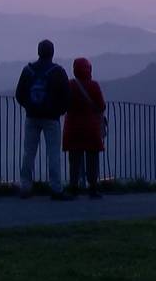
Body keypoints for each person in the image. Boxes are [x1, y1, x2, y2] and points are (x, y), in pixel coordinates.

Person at [15, 40, 72, 200]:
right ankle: (56, 189)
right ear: (52, 53)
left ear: (38, 52)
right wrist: (59, 111)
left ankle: (25, 187)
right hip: (51, 119)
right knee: (53, 153)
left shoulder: (28, 70)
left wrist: (28, 107)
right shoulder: (58, 72)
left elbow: (19, 94)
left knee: (29, 153)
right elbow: (67, 96)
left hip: (31, 117)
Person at [63, 58, 106, 199]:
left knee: (74, 160)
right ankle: (92, 188)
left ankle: (73, 187)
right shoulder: (94, 86)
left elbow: (65, 105)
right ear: (89, 69)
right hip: (91, 128)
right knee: (92, 159)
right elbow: (101, 106)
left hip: (73, 128)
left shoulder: (69, 85)